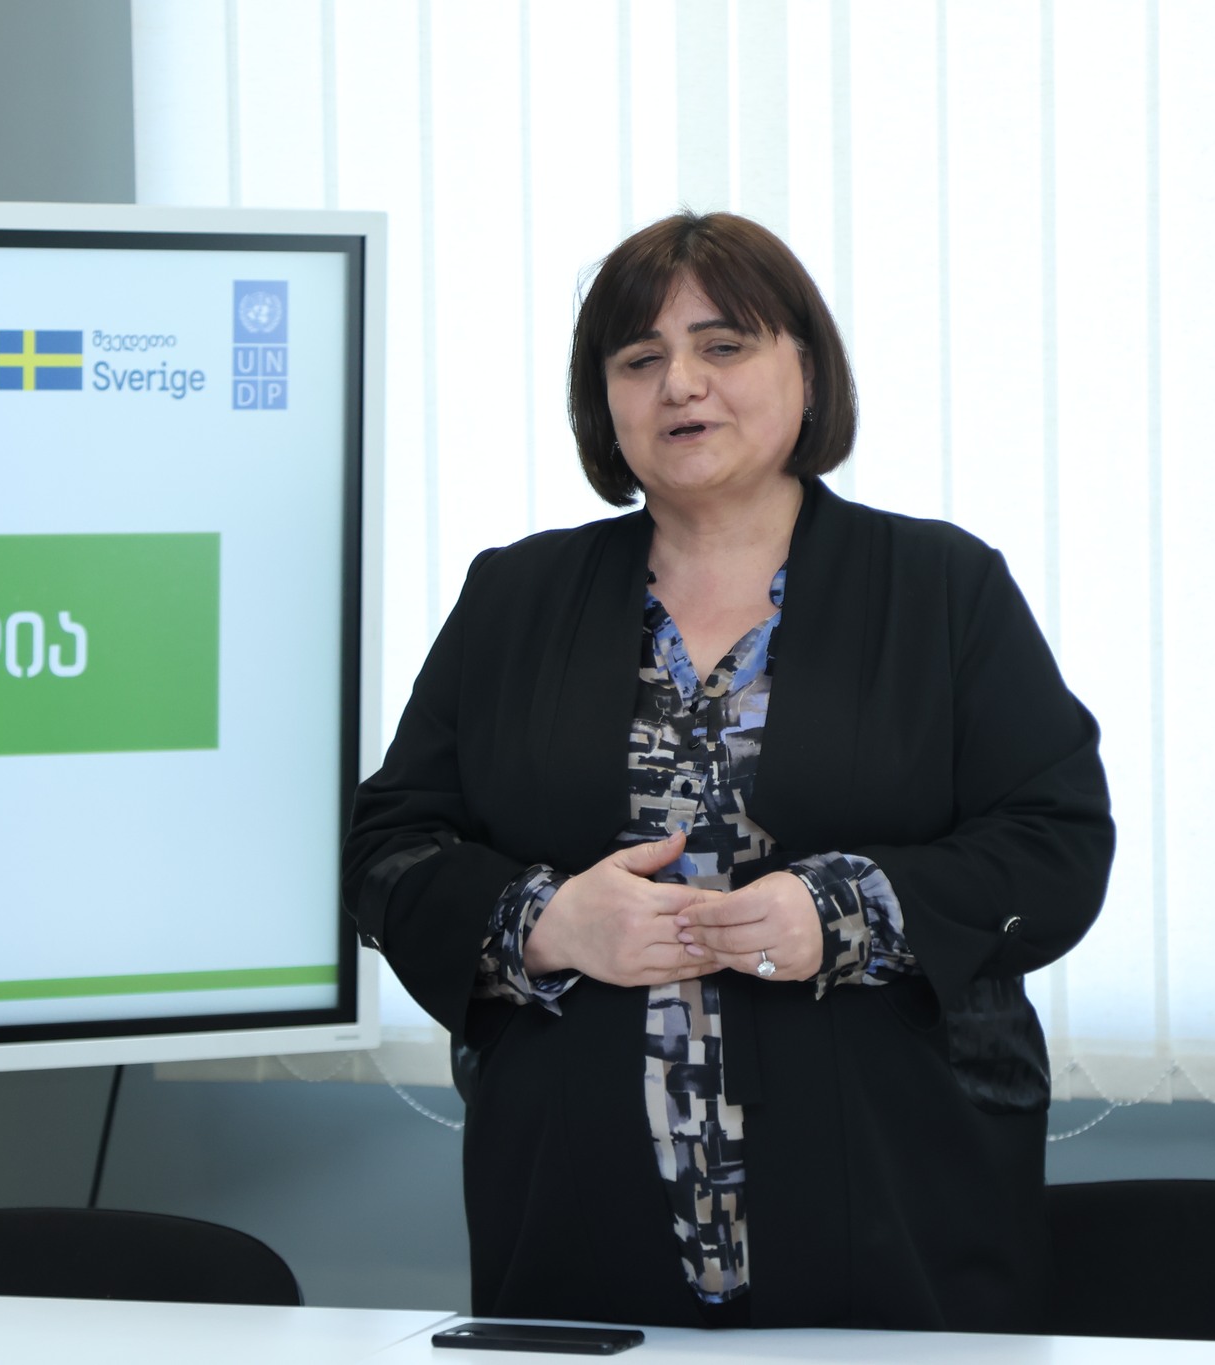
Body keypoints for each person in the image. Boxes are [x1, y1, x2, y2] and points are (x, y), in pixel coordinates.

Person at [342, 211, 1114, 1333]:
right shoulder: (514, 597)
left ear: (807, 369)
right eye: (638, 358)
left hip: (897, 1206)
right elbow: (384, 850)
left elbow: (1054, 846)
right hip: (573, 1212)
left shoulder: (943, 588)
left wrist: (841, 911)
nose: (680, 384)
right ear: (603, 399)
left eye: (723, 345)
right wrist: (546, 924)